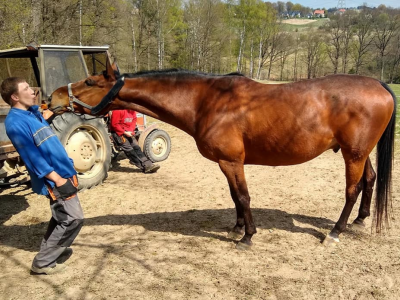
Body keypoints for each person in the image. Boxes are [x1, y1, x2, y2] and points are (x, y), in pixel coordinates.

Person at [1, 77, 84, 275]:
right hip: (55, 178)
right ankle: (43, 262)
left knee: (60, 217)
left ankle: (54, 251)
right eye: (27, 89)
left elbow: (40, 115)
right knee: (73, 219)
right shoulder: (14, 123)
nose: (33, 91)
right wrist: (57, 180)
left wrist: (48, 111)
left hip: (64, 171)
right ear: (14, 96)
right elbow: (33, 158)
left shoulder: (30, 114)